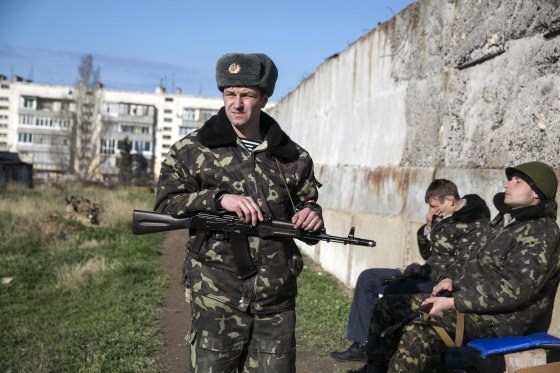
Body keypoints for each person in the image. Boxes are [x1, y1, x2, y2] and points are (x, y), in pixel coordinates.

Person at [154, 53, 324, 372]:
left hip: (276, 295)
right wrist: (219, 200)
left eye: (246, 95)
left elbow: (307, 205)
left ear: (264, 98)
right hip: (216, 289)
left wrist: (312, 215)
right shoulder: (192, 150)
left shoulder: (294, 158)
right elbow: (166, 204)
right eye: (229, 94)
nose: (237, 104)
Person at [363, 161, 560, 373]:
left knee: (423, 329)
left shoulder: (541, 233)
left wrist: (453, 302)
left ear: (536, 194)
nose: (507, 185)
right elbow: (469, 258)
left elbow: (515, 290)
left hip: (502, 320)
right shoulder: (505, 220)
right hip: (472, 305)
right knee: (388, 306)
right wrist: (449, 279)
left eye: (517, 182)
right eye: (510, 179)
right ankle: (375, 368)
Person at [330, 179, 490, 362]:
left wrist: (438, 275)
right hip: (424, 273)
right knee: (368, 278)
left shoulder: (475, 225)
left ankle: (382, 349)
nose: (433, 211)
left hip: (440, 283)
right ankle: (362, 343)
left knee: (391, 292)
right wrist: (428, 228)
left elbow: (464, 266)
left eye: (434, 206)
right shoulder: (447, 217)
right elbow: (428, 253)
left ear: (450, 200)